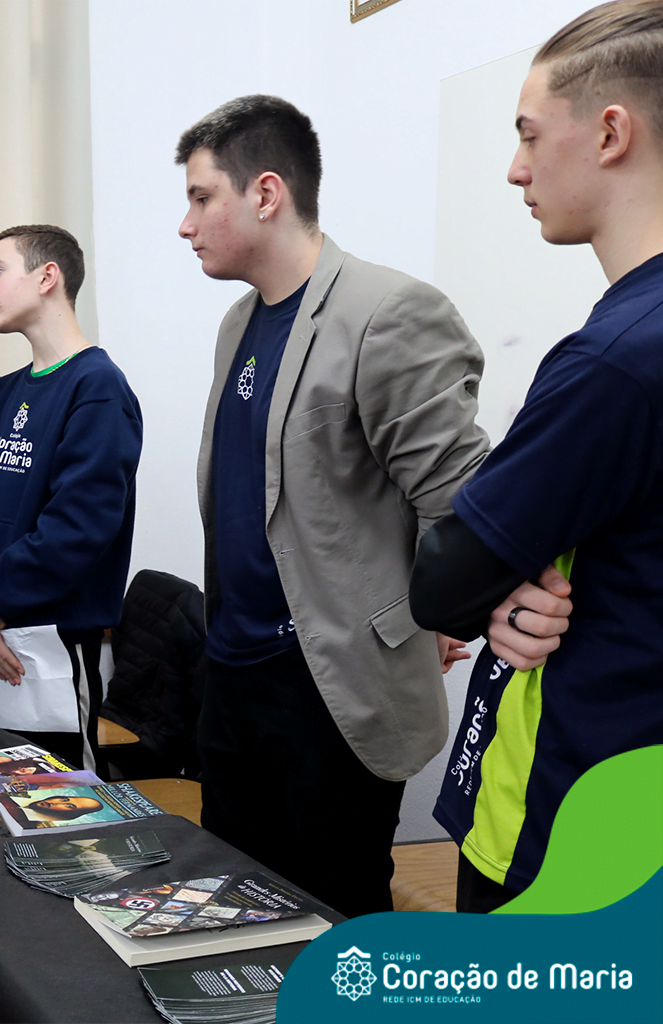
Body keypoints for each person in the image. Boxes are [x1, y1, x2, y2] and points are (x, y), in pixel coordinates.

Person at [177, 96, 491, 918]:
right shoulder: (238, 323)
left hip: (330, 688)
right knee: (238, 914)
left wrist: (436, 611)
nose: (186, 224)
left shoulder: (388, 311)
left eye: (202, 197)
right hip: (232, 676)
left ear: (266, 194)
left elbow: (456, 498)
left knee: (336, 921)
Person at [410, 0, 663, 913]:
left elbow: (444, 580)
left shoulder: (616, 362)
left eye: (527, 135)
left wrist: (492, 586)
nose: (516, 169)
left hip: (573, 811)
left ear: (610, 133)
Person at [0, 225, 143, 772]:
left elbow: (75, 531)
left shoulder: (98, 387)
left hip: (49, 652)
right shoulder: (3, 393)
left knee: (57, 804)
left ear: (47, 276)